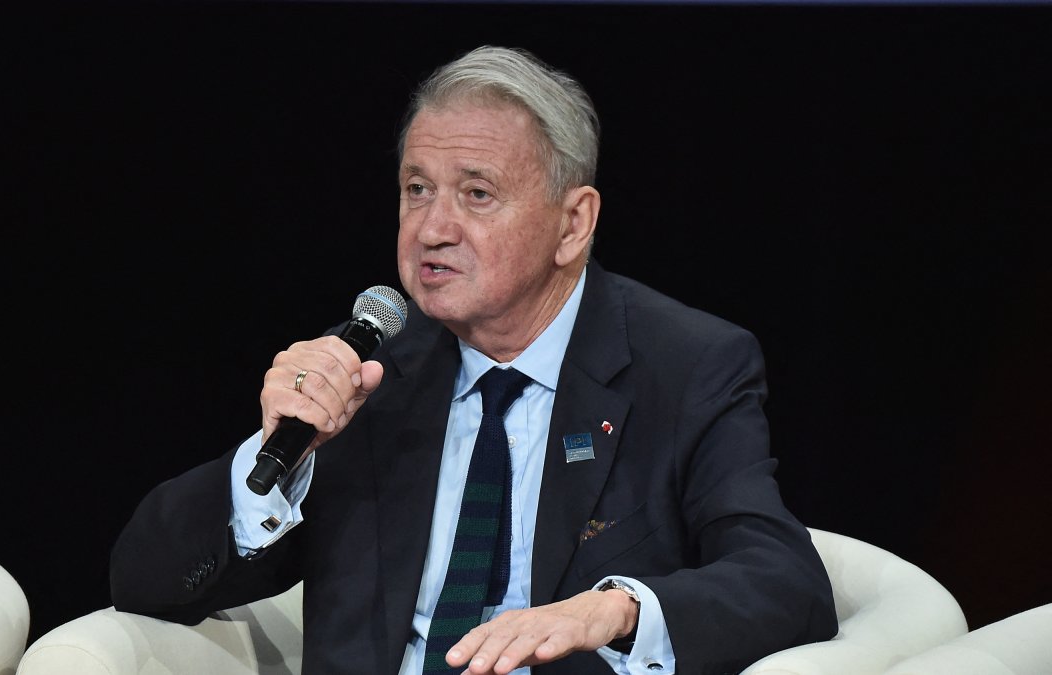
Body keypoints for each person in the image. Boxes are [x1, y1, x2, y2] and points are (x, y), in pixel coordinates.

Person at [110, 46, 837, 675]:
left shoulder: (685, 366)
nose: (432, 227)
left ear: (572, 222)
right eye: (417, 189)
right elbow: (144, 581)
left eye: (477, 194)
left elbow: (785, 583)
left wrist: (608, 610)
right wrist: (276, 461)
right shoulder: (371, 365)